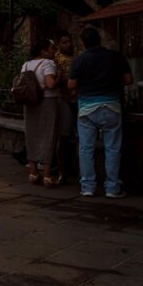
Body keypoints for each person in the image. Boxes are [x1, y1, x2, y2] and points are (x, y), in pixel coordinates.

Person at [68, 27, 133, 198]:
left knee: (85, 149)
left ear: (83, 42)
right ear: (100, 39)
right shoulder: (115, 56)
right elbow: (128, 80)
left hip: (87, 109)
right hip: (112, 106)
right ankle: (112, 187)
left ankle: (88, 186)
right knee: (112, 148)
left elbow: (71, 85)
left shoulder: (79, 60)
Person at [22, 39, 60, 188]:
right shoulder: (47, 63)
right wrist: (59, 77)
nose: (54, 51)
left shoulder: (25, 64)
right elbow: (50, 84)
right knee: (48, 136)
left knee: (32, 135)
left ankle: (33, 173)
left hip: (30, 103)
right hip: (47, 102)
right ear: (43, 51)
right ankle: (47, 175)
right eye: (52, 49)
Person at [54, 30, 78, 184]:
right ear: (59, 44)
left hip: (79, 99)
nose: (68, 45)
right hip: (64, 99)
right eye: (64, 42)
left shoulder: (78, 56)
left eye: (69, 41)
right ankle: (63, 172)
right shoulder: (56, 59)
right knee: (63, 137)